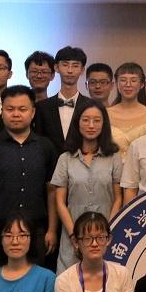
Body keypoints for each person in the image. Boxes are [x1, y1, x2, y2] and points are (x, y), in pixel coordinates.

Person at [0, 85, 59, 274]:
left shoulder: (45, 146)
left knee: (34, 283)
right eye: (10, 109)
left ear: (33, 112)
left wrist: (51, 229)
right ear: (2, 112)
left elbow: (52, 190)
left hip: (35, 232)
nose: (16, 114)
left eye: (22, 109)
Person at [52, 100, 123, 273]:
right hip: (72, 233)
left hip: (105, 235)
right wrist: (74, 235)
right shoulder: (65, 158)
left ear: (104, 124)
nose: (91, 125)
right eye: (85, 120)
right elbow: (60, 202)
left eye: (97, 120)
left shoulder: (114, 157)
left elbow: (118, 198)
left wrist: (107, 231)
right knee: (70, 281)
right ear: (77, 122)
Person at [34, 45, 92, 154]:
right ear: (56, 68)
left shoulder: (91, 106)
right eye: (65, 65)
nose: (70, 70)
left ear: (82, 70)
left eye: (75, 66)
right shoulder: (42, 107)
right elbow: (38, 142)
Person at [109, 61, 146, 157]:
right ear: (116, 84)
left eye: (133, 80)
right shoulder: (105, 113)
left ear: (142, 84)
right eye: (123, 80)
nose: (128, 84)